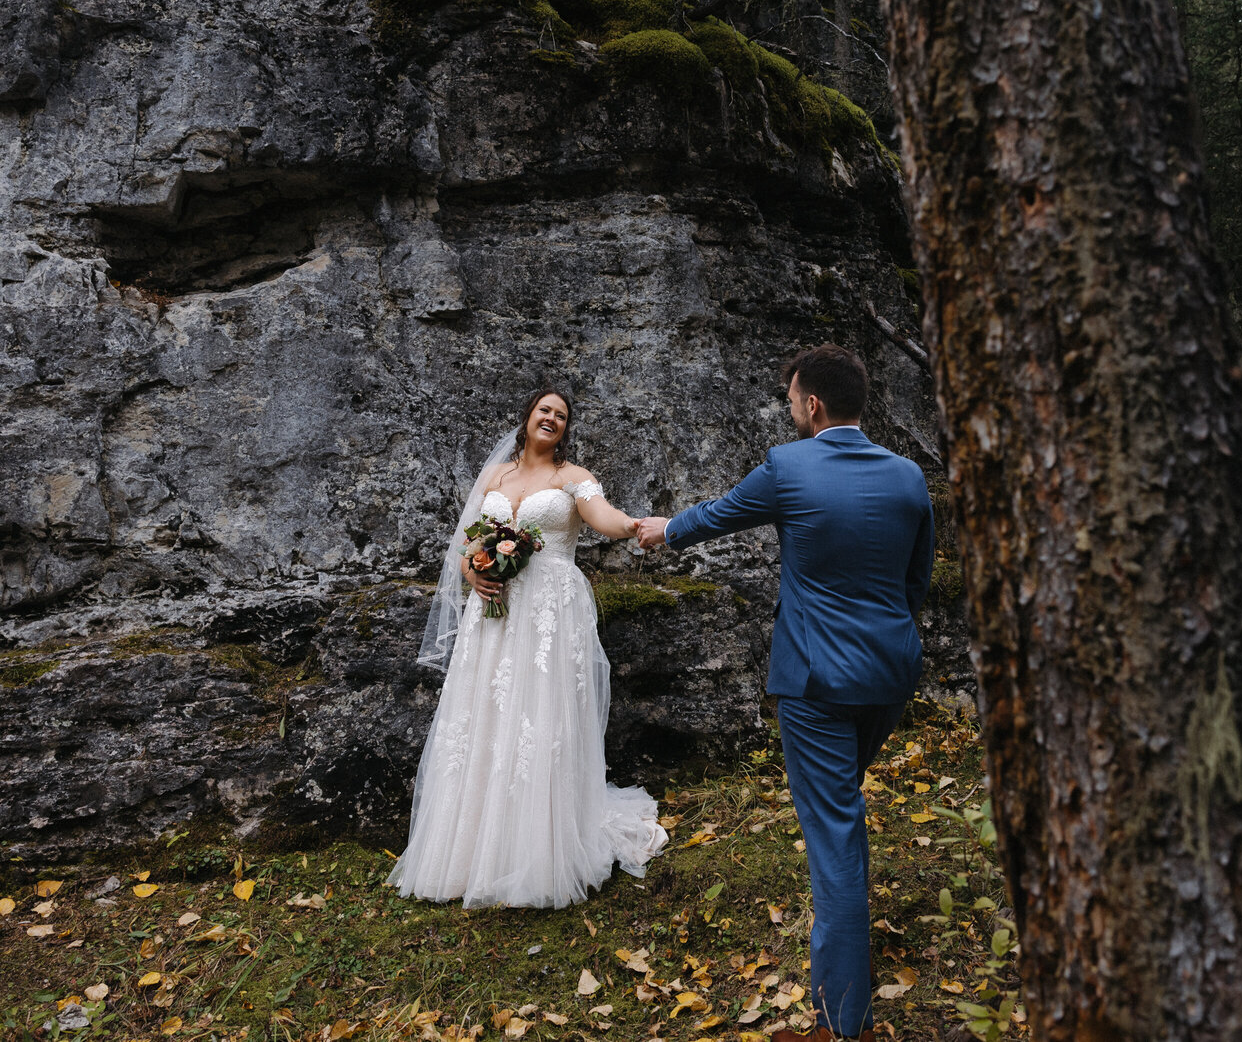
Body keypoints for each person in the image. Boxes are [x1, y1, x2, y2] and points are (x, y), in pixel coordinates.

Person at [637, 345, 935, 1042]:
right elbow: (915, 583)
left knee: (832, 833)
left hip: (816, 683)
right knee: (842, 808)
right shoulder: (909, 477)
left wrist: (662, 528)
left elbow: (718, 514)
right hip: (890, 675)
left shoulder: (789, 466)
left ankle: (842, 1021)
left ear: (811, 406)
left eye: (792, 400)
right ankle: (849, 957)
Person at [389, 389, 667, 909]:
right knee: (485, 714)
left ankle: (536, 851)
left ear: (566, 429)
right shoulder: (494, 477)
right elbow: (466, 545)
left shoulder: (571, 478)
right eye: (545, 410)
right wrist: (473, 570)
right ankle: (469, 852)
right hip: (493, 610)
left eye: (561, 416)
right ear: (528, 417)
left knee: (538, 717)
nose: (553, 419)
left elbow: (601, 517)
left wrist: (634, 527)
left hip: (548, 614)